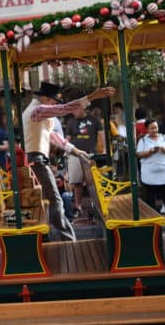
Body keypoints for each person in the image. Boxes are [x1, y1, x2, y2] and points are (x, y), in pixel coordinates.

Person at [22, 81, 114, 241]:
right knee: (55, 200)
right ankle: (69, 240)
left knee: (50, 201)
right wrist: (93, 95)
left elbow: (54, 137)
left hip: (37, 159)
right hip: (36, 160)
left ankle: (47, 238)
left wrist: (76, 151)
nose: (54, 105)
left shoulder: (37, 111)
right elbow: (64, 109)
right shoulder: (37, 110)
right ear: (44, 98)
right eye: (53, 101)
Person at [64, 104, 104, 219]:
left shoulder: (94, 120)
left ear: (83, 108)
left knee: (92, 182)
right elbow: (67, 140)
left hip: (90, 154)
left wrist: (104, 150)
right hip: (74, 155)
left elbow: (101, 136)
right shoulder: (71, 122)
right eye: (72, 110)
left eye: (75, 109)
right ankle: (78, 207)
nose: (74, 112)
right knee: (77, 182)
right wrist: (66, 154)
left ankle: (94, 207)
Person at [135, 119, 165, 215]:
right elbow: (138, 154)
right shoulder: (143, 140)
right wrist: (149, 152)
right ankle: (152, 213)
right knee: (150, 194)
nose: (154, 130)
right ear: (147, 129)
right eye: (152, 128)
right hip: (149, 173)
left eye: (156, 127)